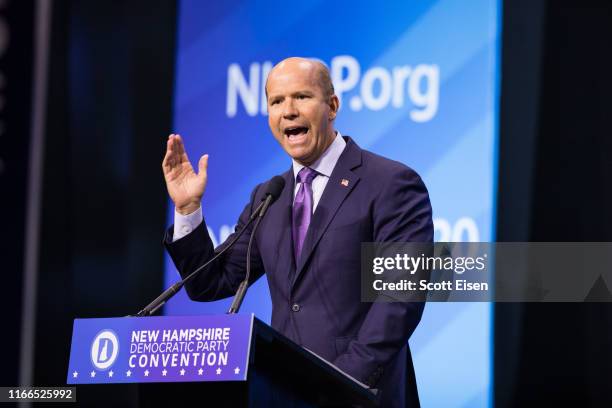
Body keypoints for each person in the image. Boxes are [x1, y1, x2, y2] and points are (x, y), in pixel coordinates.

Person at [162, 57, 433, 408]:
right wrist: (187, 210)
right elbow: (210, 282)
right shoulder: (269, 196)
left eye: (301, 97)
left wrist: (337, 385)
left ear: (332, 106)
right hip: (282, 394)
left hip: (359, 396)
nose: (288, 111)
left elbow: (401, 300)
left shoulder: (390, 183)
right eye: (276, 102)